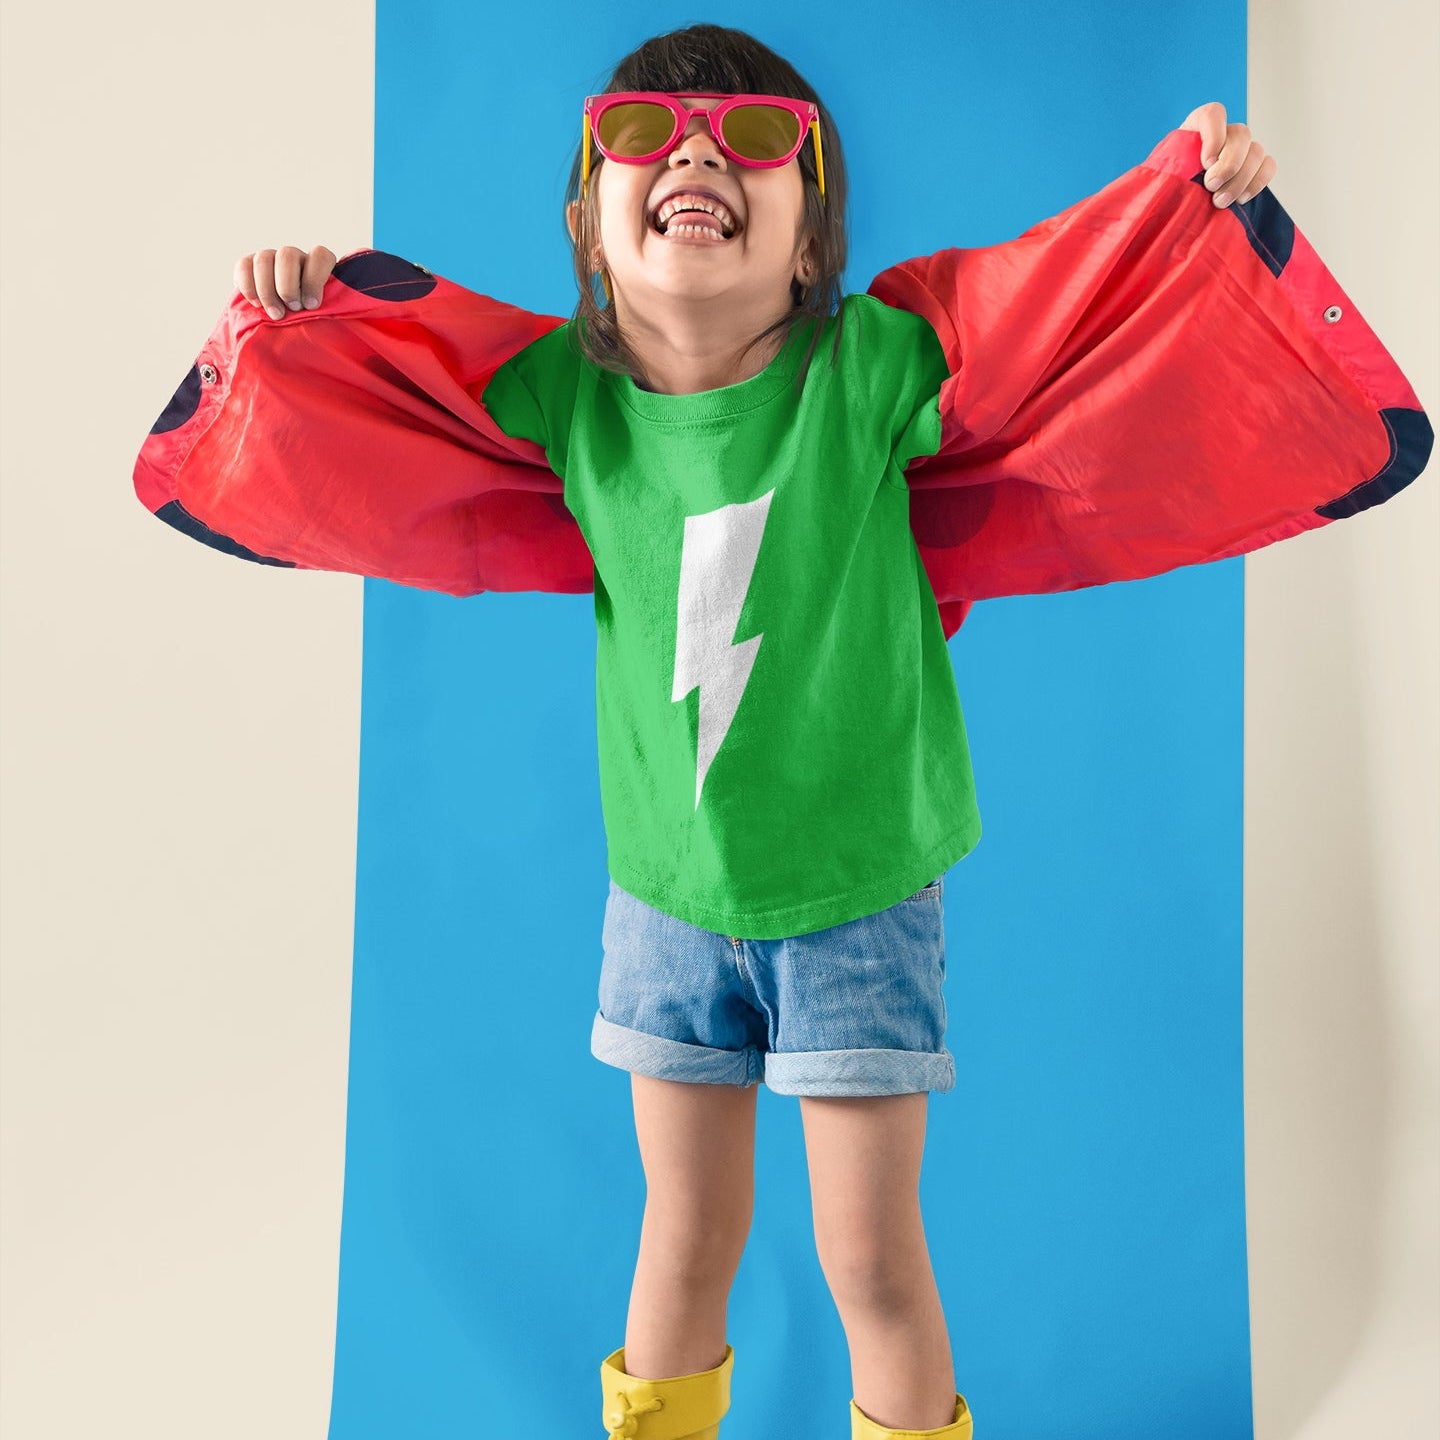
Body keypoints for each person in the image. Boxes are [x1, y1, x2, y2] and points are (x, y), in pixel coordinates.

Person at [135, 22, 1431, 1440]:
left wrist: (1188, 199)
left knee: (869, 1259)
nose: (696, 152)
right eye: (642, 132)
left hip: (857, 899)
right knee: (683, 1243)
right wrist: (300, 306)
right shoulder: (567, 397)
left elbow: (1057, 294)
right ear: (587, 230)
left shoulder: (868, 366)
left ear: (811, 244)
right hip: (665, 904)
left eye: (758, 139)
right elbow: (398, 377)